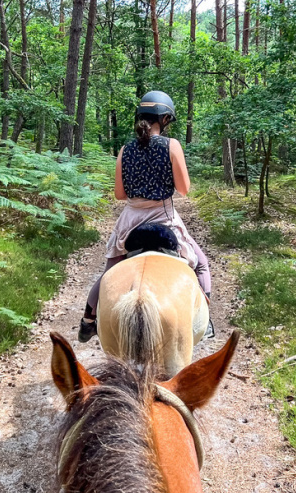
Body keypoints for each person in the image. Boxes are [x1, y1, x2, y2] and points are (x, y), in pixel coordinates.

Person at [78, 90, 213, 342]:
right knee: (201, 264)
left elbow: (120, 194)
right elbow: (184, 189)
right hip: (164, 218)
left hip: (131, 221)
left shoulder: (125, 149)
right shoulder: (171, 145)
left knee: (109, 274)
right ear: (164, 119)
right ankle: (205, 321)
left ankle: (88, 320)